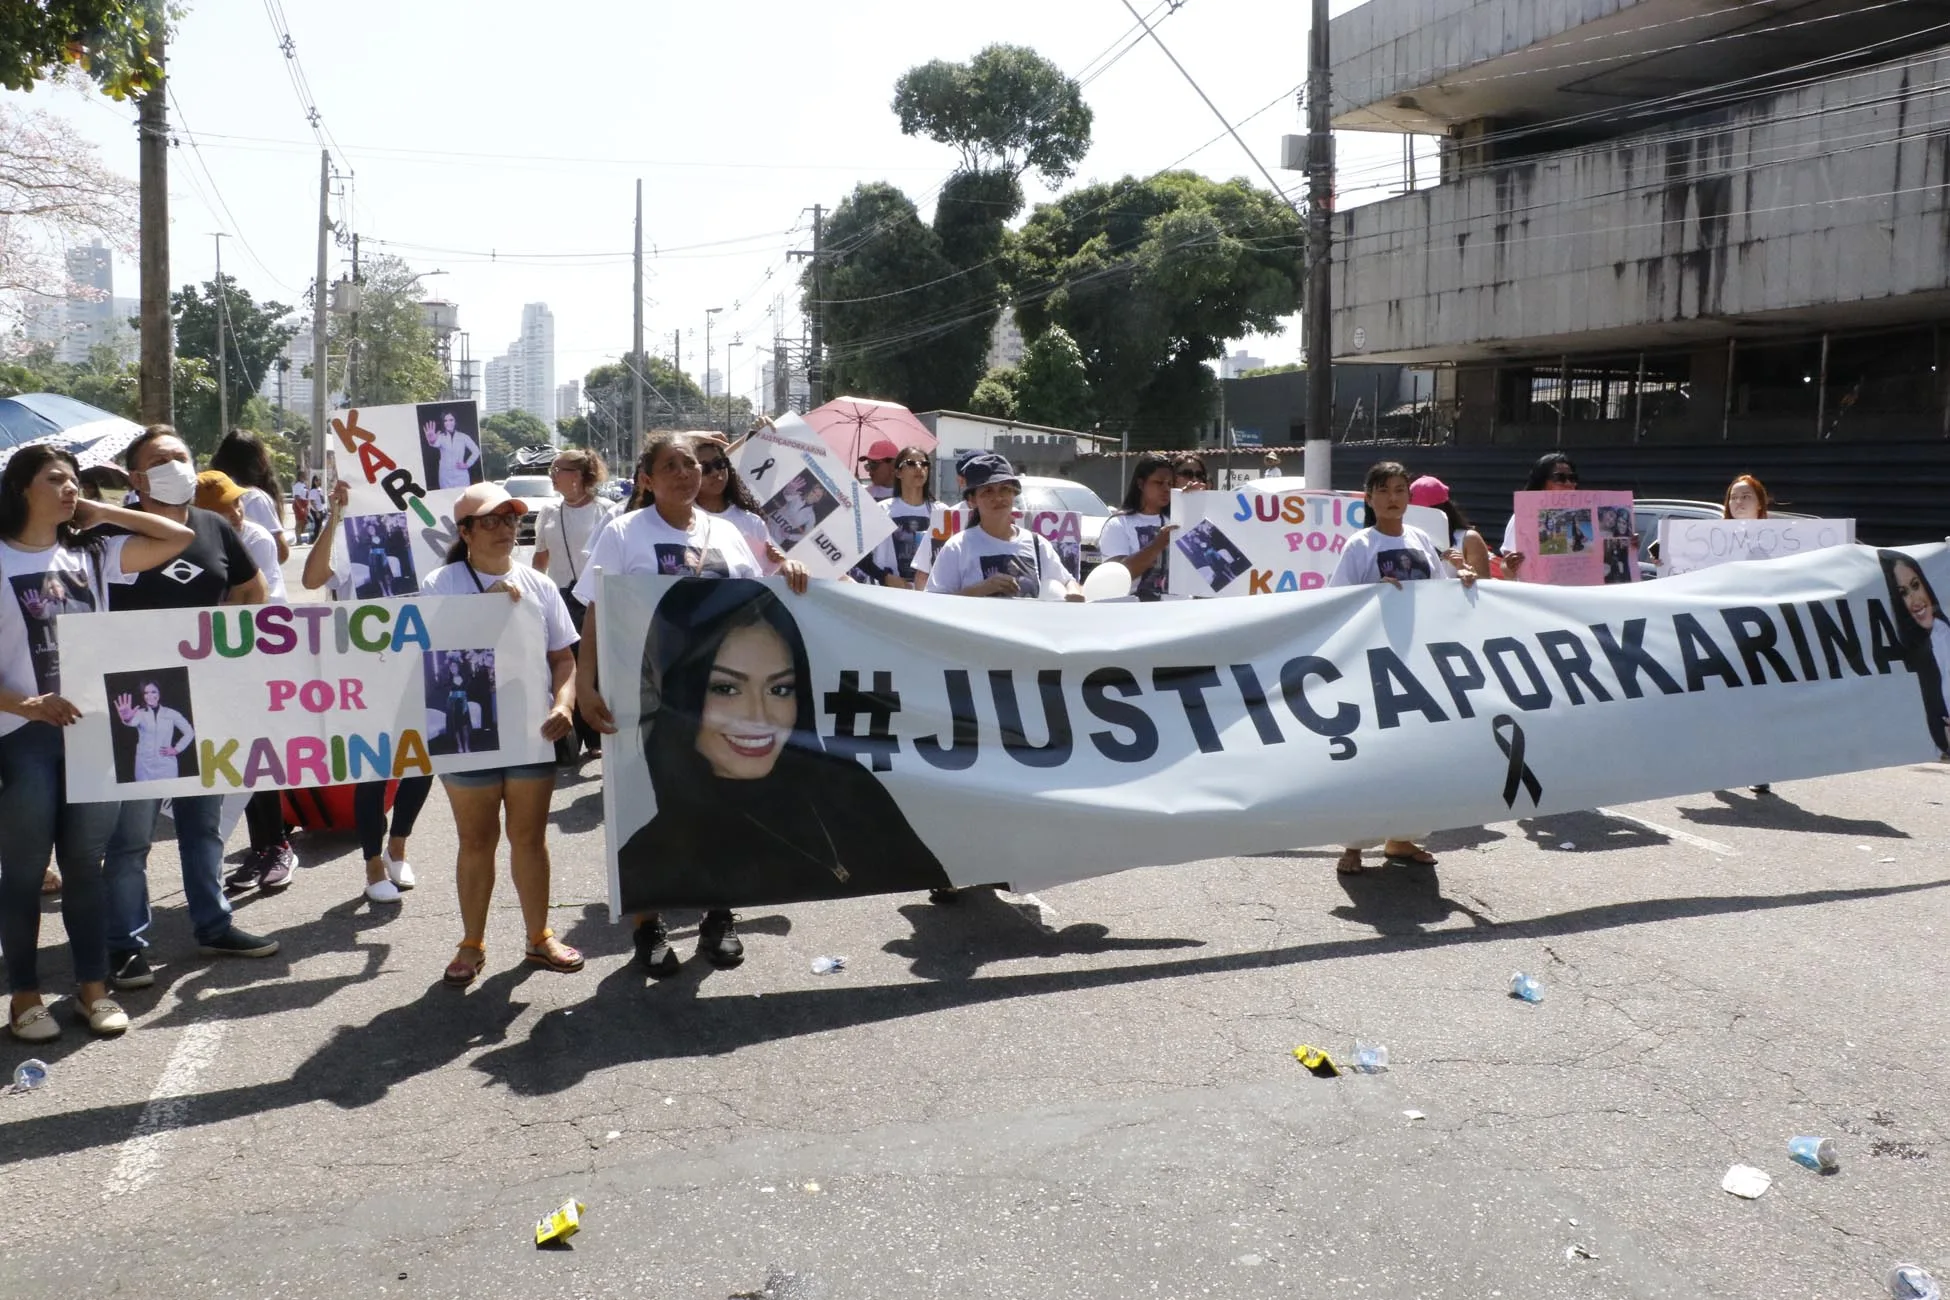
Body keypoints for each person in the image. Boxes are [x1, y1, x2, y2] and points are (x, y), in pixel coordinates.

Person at [575, 431, 810, 975]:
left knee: (721, 806)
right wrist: (585, 686)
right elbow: (594, 613)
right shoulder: (624, 533)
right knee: (646, 807)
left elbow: (758, 606)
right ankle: (648, 926)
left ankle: (719, 915)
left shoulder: (728, 533)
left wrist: (792, 572)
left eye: (693, 464)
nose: (685, 473)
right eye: (671, 465)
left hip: (714, 705)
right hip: (642, 695)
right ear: (647, 479)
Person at [0, 445, 194, 1041]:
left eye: (75, 480)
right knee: (25, 871)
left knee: (86, 866)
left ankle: (92, 990)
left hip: (93, 735)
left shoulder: (92, 550)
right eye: (56, 479)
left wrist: (99, 510)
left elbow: (175, 537)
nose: (69, 488)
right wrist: (25, 704)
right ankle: (25, 996)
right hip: (23, 736)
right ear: (20, 488)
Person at [616, 579, 951, 913]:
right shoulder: (651, 853)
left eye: (780, 689)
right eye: (726, 689)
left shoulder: (850, 786)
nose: (758, 716)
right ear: (681, 693)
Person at [101, 426, 278, 991]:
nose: (175, 465)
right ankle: (127, 945)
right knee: (131, 836)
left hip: (204, 695)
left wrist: (220, 632)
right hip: (134, 700)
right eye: (159, 459)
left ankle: (213, 923)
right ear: (136, 477)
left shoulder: (212, 527)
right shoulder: (111, 532)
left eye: (181, 455)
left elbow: (254, 593)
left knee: (203, 825)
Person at [422, 482, 584, 986]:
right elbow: (426, 660)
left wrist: (564, 702)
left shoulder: (540, 585)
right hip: (465, 734)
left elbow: (563, 657)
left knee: (529, 840)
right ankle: (471, 944)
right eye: (489, 521)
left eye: (510, 520)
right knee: (476, 840)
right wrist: (483, 611)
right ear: (465, 532)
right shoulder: (438, 585)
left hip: (530, 731)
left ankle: (539, 937)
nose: (504, 529)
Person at [1329, 461, 1477, 876]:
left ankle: (1401, 837)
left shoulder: (1422, 539)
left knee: (1414, 754)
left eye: (1400, 490)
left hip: (1419, 662)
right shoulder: (1360, 545)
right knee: (1371, 757)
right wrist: (1372, 593)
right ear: (1369, 497)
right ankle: (1354, 846)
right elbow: (1334, 600)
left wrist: (1461, 576)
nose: (1393, 498)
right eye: (1384, 490)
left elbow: (1436, 593)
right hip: (1374, 664)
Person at [299, 480, 429, 904]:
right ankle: (373, 861)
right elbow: (312, 576)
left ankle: (399, 846)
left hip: (413, 664)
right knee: (373, 766)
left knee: (422, 763)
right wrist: (335, 517)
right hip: (361, 672)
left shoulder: (425, 536)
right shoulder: (350, 538)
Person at [926, 452, 1083, 601]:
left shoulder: (1037, 544)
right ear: (972, 500)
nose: (998, 497)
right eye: (988, 491)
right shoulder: (958, 547)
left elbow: (1068, 581)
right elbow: (935, 603)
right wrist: (981, 589)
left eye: (1005, 489)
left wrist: (1074, 592)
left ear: (1014, 494)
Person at [1882, 550, 1950, 760]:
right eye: (1902, 592)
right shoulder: (1902, 650)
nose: (1915, 600)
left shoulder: (1943, 635)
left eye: (1915, 585)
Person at [694, 437, 788, 575]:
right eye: (705, 468)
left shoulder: (752, 522)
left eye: (719, 463)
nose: (715, 473)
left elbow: (764, 580)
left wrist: (783, 566)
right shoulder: (682, 519)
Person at [1097, 452, 1177, 601]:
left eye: (1170, 484)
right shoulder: (1119, 524)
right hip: (1132, 611)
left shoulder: (1177, 521)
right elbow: (1115, 577)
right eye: (1159, 483)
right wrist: (1156, 546)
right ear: (1140, 484)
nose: (1166, 489)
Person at [208, 429, 291, 566]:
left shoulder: (209, 494)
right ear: (260, 461)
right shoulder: (255, 497)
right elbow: (281, 552)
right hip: (254, 581)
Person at [865, 445, 940, 591]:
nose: (919, 468)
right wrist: (885, 577)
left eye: (925, 464)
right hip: (889, 596)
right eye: (911, 464)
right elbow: (859, 556)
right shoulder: (881, 510)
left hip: (930, 596)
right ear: (898, 473)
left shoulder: (941, 511)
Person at [1498, 452, 1581, 576]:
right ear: (1542, 483)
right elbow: (1507, 565)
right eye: (1560, 478)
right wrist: (1509, 566)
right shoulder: (1522, 517)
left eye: (1572, 478)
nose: (1568, 483)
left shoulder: (1584, 516)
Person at [1408, 474, 1493, 580]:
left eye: (1423, 512)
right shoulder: (1409, 538)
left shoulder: (1469, 539)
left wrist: (1462, 568)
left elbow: (1484, 585)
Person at [113, 680, 193, 782]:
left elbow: (189, 732)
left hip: (166, 766)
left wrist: (176, 749)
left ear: (160, 694)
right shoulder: (139, 713)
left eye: (153, 692)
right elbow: (132, 722)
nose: (149, 695)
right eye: (146, 693)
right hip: (144, 766)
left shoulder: (171, 713)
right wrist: (127, 718)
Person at [425, 410, 482, 490]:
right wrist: (431, 440)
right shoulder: (440, 436)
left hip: (461, 476)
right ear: (443, 423)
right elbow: (435, 444)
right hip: (445, 476)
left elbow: (476, 451)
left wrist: (467, 464)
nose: (448, 423)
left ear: (455, 421)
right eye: (445, 420)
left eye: (451, 420)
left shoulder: (463, 437)